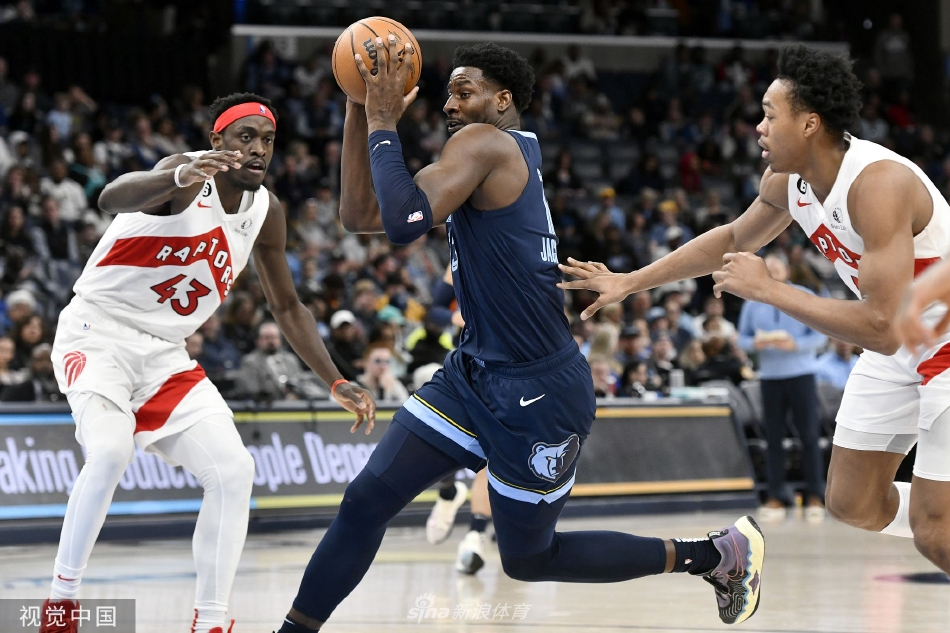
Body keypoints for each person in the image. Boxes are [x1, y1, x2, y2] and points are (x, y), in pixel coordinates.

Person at [276, 41, 763, 633]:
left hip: (539, 388)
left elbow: (404, 225)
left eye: (465, 92)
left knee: (530, 559)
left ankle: (714, 555)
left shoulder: (485, 144)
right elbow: (362, 215)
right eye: (448, 93)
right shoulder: (480, 154)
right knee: (363, 503)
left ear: (502, 100)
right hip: (473, 374)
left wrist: (381, 119)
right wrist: (359, 106)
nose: (450, 105)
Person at [560, 45, 950, 574]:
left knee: (935, 534)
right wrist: (631, 282)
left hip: (941, 340)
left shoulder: (878, 185)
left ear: (809, 123)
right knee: (852, 503)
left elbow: (881, 328)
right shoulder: (788, 183)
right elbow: (730, 239)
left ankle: (938, 517)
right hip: (902, 342)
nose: (758, 128)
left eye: (769, 115)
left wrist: (771, 291)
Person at [40, 92, 375, 633]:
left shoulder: (267, 212)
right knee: (110, 450)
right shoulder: (185, 175)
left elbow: (288, 307)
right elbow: (109, 197)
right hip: (97, 333)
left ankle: (211, 621)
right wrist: (176, 175)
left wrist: (335, 379)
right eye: (246, 137)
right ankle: (62, 601)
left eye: (268, 140)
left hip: (164, 355)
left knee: (235, 470)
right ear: (217, 140)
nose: (259, 149)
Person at [737, 254, 827, 522]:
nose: (773, 271)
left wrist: (796, 345)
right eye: (768, 268)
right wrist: (755, 344)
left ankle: (815, 495)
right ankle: (775, 496)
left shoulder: (803, 295)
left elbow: (821, 334)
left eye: (777, 267)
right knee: (773, 438)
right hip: (770, 376)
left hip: (801, 373)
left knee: (809, 435)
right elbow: (741, 338)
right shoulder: (752, 301)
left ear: (787, 270)